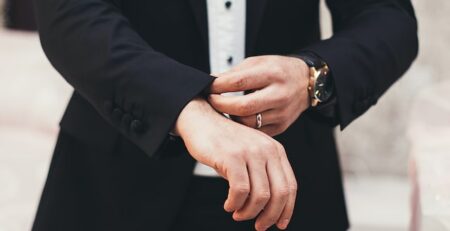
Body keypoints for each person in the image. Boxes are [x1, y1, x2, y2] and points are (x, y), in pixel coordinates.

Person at [32, 0, 418, 230]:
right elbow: (70, 13)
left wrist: (312, 77)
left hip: (288, 192)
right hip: (110, 185)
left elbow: (388, 16)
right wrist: (183, 107)